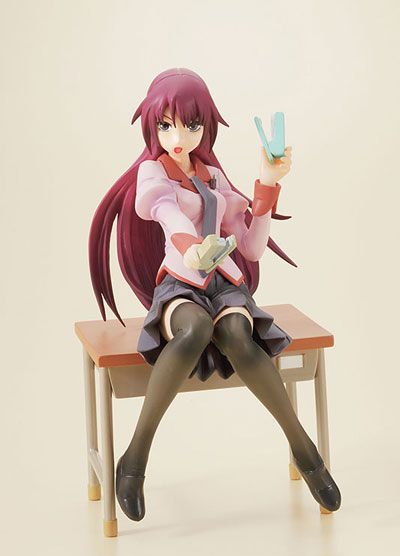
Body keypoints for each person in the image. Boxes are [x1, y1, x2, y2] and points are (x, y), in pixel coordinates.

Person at [89, 68, 341, 522]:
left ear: (205, 126)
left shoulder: (214, 179)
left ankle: (306, 453)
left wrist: (268, 183)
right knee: (194, 329)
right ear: (152, 125)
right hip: (180, 284)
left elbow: (251, 247)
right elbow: (167, 215)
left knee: (240, 337)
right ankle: (135, 457)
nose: (178, 137)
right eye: (166, 125)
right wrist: (191, 247)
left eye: (190, 125)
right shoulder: (153, 173)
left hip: (225, 286)